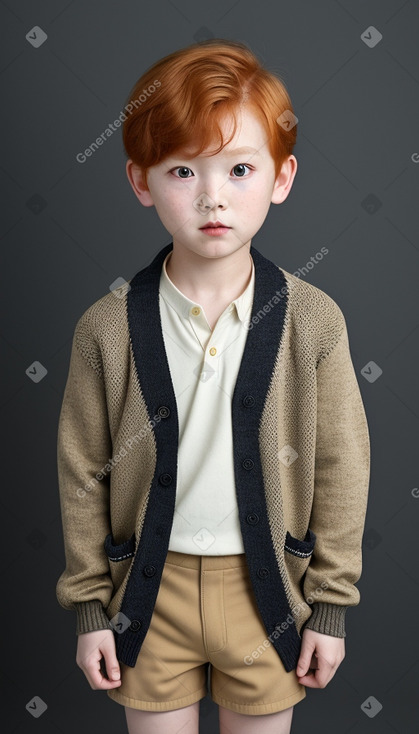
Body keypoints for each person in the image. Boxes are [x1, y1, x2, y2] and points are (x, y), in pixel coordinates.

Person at [56, 39, 371, 734]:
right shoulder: (105, 328)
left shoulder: (313, 321)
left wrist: (329, 606)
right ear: (140, 182)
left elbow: (341, 466)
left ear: (280, 178)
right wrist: (88, 607)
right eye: (181, 171)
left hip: (268, 594)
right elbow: (82, 471)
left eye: (238, 169)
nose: (211, 198)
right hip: (146, 593)